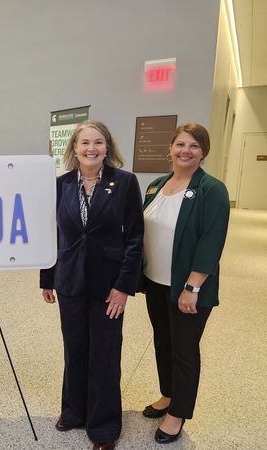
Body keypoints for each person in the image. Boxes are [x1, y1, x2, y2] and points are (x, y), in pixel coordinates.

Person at [40, 120, 144, 450]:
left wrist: (124, 287)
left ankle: (103, 426)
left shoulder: (125, 182)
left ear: (108, 147)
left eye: (98, 142)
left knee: (104, 354)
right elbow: (51, 234)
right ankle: (73, 411)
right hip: (70, 279)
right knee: (75, 350)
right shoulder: (60, 185)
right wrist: (48, 278)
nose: (91, 148)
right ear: (73, 148)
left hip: (108, 284)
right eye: (84, 143)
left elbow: (135, 237)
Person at [140, 122, 229, 444]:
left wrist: (192, 287)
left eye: (194, 146)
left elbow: (211, 241)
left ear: (203, 152)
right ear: (170, 148)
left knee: (184, 350)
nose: (185, 151)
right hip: (155, 282)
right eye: (180, 144)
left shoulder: (211, 190)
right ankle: (167, 395)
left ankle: (178, 413)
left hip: (187, 288)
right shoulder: (157, 185)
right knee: (163, 342)